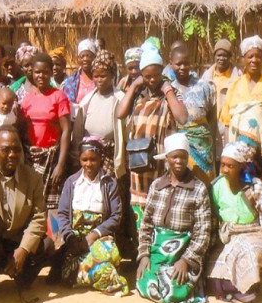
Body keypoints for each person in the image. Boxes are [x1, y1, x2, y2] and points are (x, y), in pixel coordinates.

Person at [0, 126, 54, 297]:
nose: (12, 155)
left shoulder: (32, 178)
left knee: (47, 245)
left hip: (15, 238)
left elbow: (38, 218)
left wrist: (24, 249)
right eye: (6, 150)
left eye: (17, 149)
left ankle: (22, 277)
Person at [116, 38, 188, 230]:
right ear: (141, 75)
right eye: (147, 76)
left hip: (161, 162)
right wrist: (134, 86)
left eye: (156, 75)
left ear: (162, 71)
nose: (152, 80)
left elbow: (182, 117)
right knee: (140, 214)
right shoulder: (137, 94)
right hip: (138, 163)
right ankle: (142, 245)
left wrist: (168, 91)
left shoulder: (170, 92)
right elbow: (120, 113)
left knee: (161, 208)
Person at [135, 133, 212, 303]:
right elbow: (146, 224)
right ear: (167, 158)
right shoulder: (157, 185)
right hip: (157, 248)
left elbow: (203, 232)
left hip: (183, 249)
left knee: (173, 291)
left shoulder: (198, 188)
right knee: (145, 281)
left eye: (183, 157)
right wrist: (144, 255)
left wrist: (186, 260)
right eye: (174, 157)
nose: (179, 161)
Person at [206, 142, 262, 303]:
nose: (225, 170)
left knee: (252, 255)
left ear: (241, 166)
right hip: (227, 236)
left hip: (252, 234)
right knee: (213, 276)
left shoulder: (256, 188)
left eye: (230, 166)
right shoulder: (216, 186)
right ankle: (235, 289)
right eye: (222, 165)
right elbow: (212, 219)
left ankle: (245, 287)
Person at [55, 138, 128, 297]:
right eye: (84, 159)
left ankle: (91, 272)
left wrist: (94, 235)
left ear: (101, 158)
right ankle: (100, 274)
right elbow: (63, 214)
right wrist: (70, 237)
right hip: (76, 238)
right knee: (72, 270)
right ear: (79, 160)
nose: (88, 164)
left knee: (106, 254)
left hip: (100, 237)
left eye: (93, 159)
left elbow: (116, 216)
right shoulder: (71, 182)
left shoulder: (109, 183)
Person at [220, 35, 262, 186]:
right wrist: (228, 154)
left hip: (260, 156)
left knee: (257, 192)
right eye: (250, 56)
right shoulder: (235, 85)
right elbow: (227, 124)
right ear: (243, 59)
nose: (254, 60)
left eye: (258, 56)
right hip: (235, 156)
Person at [19, 52, 71, 213]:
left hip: (52, 159)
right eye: (37, 72)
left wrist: (60, 164)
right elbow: (22, 129)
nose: (41, 76)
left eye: (45, 72)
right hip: (31, 158)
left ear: (51, 72)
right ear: (32, 72)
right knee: (31, 203)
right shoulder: (27, 98)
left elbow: (66, 130)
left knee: (52, 208)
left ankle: (51, 230)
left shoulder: (59, 97)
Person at [69, 50, 126, 177]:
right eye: (96, 76)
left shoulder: (121, 99)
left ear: (112, 75)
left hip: (111, 158)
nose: (99, 80)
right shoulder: (87, 101)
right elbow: (77, 133)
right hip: (89, 157)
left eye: (103, 76)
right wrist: (76, 158)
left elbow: (126, 132)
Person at [168, 47, 219, 182]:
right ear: (171, 64)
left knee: (206, 184)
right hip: (180, 147)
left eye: (186, 63)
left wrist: (211, 144)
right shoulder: (169, 90)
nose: (182, 67)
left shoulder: (204, 86)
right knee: (185, 183)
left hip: (204, 147)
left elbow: (212, 118)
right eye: (178, 64)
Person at [202, 39, 242, 139]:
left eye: (225, 56)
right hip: (209, 129)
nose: (221, 58)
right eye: (219, 55)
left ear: (230, 57)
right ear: (214, 56)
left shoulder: (238, 77)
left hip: (229, 128)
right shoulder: (206, 77)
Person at [62, 38, 97, 110]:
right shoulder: (71, 81)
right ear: (78, 59)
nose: (85, 59)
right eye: (82, 56)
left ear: (94, 58)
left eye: (88, 56)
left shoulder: (99, 78)